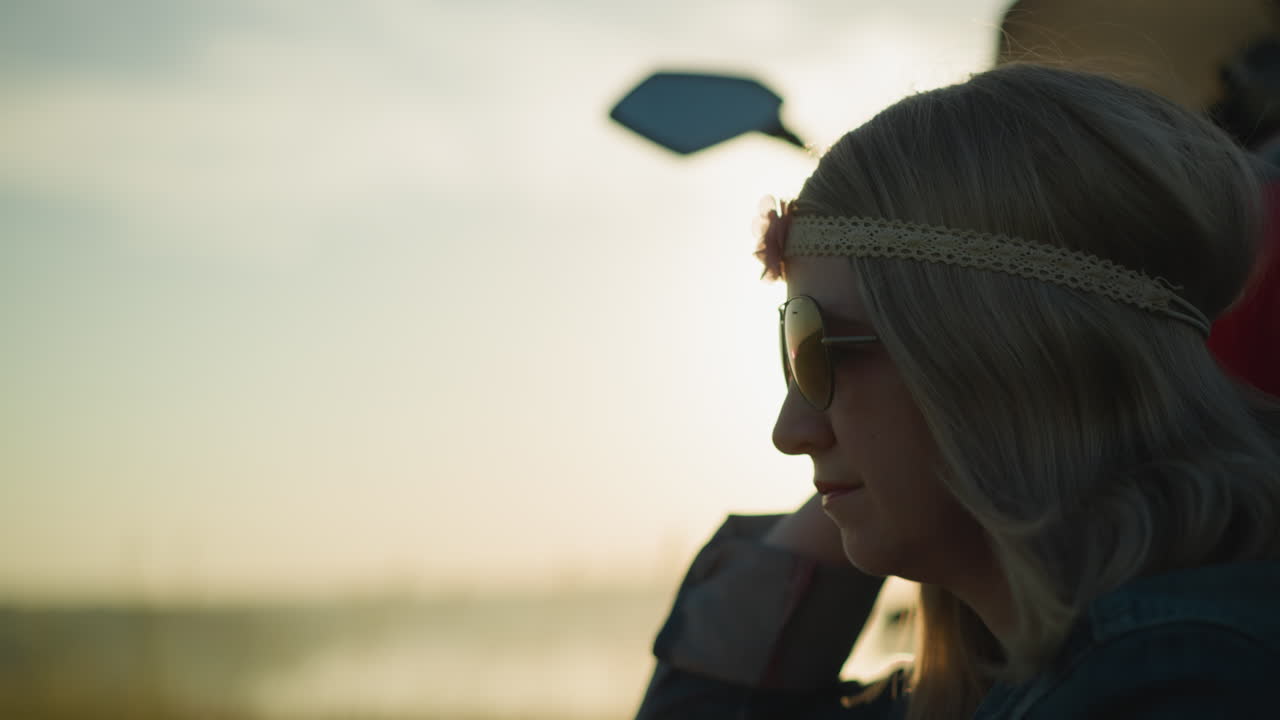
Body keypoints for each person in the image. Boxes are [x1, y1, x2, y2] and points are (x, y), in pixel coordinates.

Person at [634, 63, 1280, 719]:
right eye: (792, 350)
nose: (790, 431)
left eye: (819, 350)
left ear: (1012, 358)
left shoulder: (1169, 682)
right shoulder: (1023, 677)